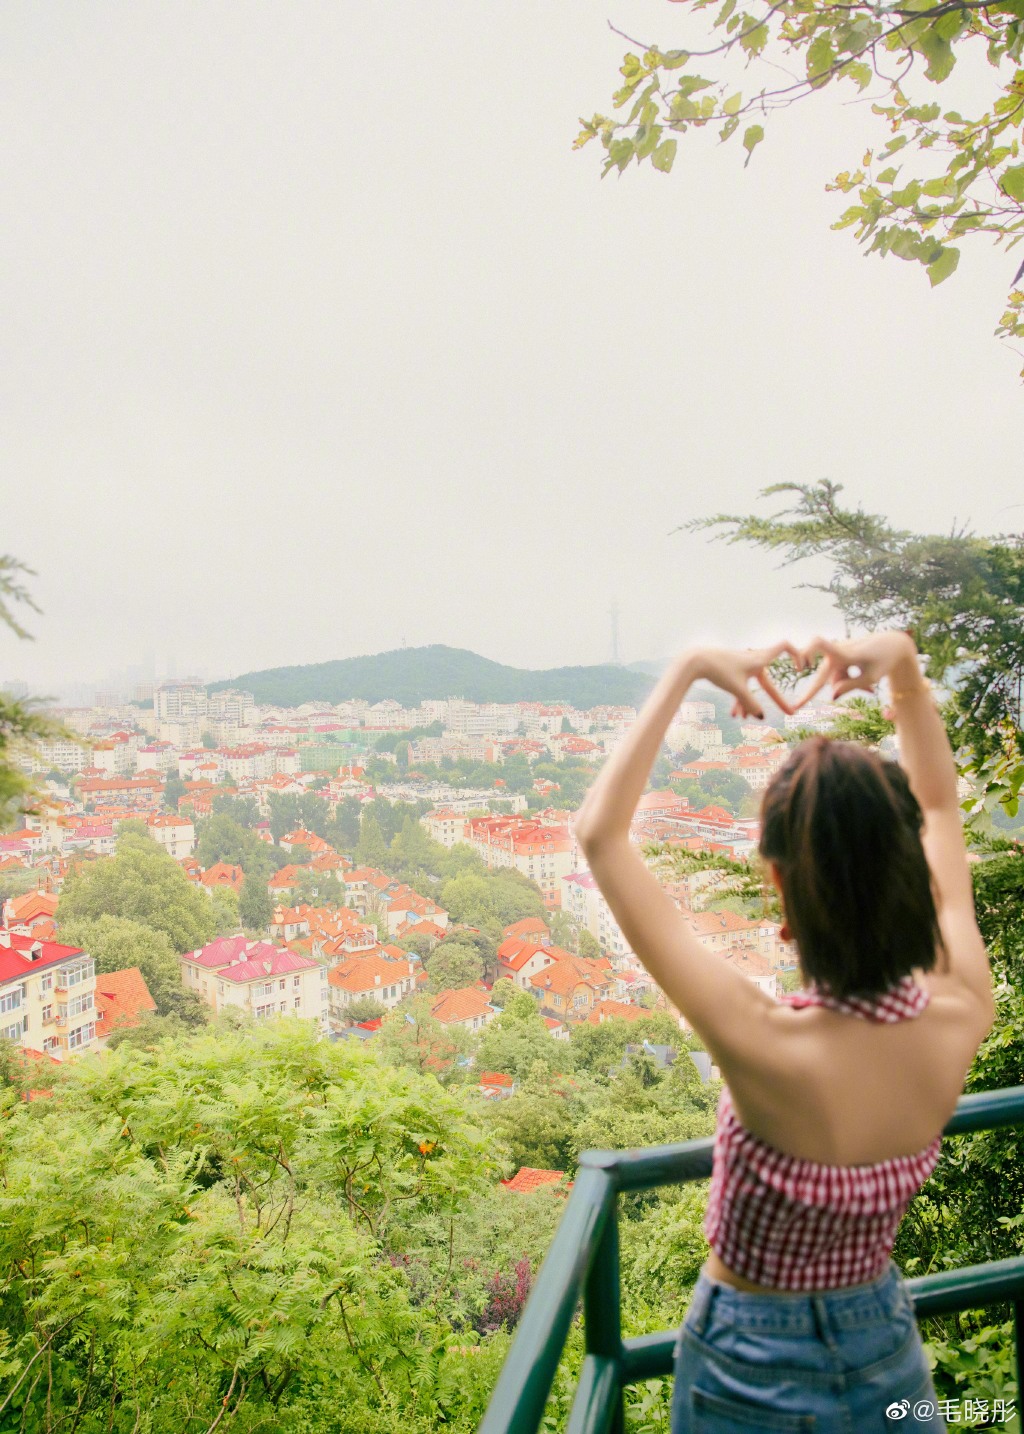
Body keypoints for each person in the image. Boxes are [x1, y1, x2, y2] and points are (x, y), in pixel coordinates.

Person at [574, 631, 994, 1432]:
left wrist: (688, 667)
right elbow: (941, 806)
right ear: (912, 869)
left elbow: (600, 836)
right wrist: (903, 666)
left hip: (745, 1359)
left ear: (776, 885)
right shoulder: (961, 1007)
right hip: (882, 1340)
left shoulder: (762, 1041)